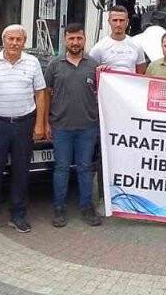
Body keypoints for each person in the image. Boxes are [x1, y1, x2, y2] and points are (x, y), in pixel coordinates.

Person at [0, 24, 48, 236]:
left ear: (24, 42)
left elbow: (40, 93)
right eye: (11, 39)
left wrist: (40, 124)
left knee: (21, 172)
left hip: (24, 124)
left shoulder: (32, 63)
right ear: (3, 40)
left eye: (19, 39)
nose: (14, 43)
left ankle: (18, 216)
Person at [44, 23, 102, 228]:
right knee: (61, 169)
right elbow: (46, 95)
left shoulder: (94, 66)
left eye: (79, 38)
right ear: (65, 40)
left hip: (88, 127)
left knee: (86, 169)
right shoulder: (54, 65)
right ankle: (59, 208)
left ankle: (87, 208)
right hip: (61, 127)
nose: (75, 42)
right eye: (71, 39)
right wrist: (45, 123)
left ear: (84, 39)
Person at [88, 5, 147, 73]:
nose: (118, 24)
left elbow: (141, 74)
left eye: (121, 20)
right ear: (109, 21)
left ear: (127, 22)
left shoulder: (137, 45)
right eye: (115, 20)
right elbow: (90, 71)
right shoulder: (98, 48)